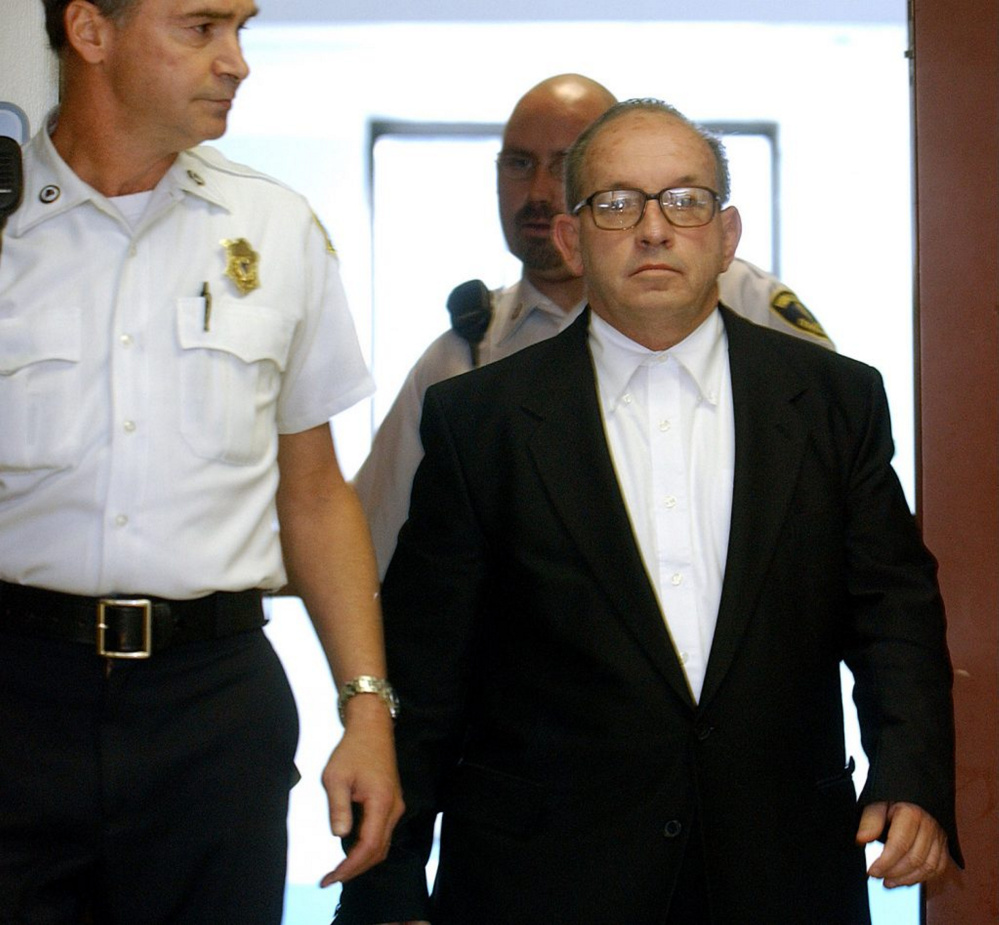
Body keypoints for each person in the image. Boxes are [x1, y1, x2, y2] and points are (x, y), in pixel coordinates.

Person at [334, 99, 961, 924]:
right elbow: (428, 664)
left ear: (726, 233)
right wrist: (386, 883)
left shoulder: (831, 399)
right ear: (570, 238)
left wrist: (909, 777)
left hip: (781, 866)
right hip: (542, 877)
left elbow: (893, 610)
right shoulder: (477, 420)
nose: (654, 230)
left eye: (685, 200)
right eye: (618, 204)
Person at [0, 1, 403, 921]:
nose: (235, 62)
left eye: (242, 30)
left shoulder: (275, 227)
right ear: (90, 32)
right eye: (200, 28)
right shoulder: (4, 220)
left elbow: (314, 493)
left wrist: (367, 710)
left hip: (211, 708)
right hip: (18, 692)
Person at [353, 73, 833, 579]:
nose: (539, 191)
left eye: (563, 166)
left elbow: (829, 487)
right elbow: (367, 546)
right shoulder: (463, 357)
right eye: (519, 164)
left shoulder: (744, 302)